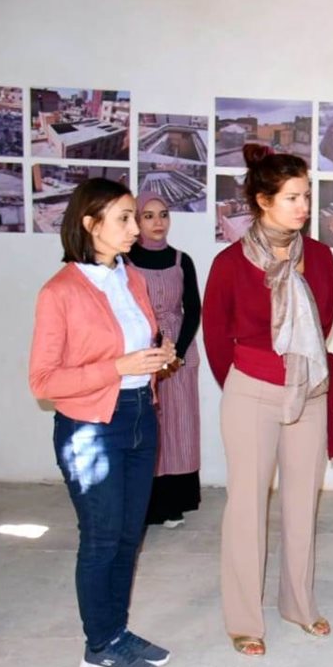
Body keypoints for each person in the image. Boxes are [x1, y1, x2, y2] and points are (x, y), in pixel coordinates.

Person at [29, 177, 177, 667]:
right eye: (125, 218)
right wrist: (119, 367)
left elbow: (139, 342)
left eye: (135, 217)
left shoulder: (130, 277)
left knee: (129, 536)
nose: (136, 228)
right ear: (90, 224)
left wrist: (159, 355)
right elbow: (43, 381)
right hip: (90, 427)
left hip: (139, 415)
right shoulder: (59, 292)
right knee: (101, 537)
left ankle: (116, 631)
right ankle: (98, 645)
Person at [202, 143, 333, 657]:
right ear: (263, 201)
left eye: (306, 196)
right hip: (251, 392)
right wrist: (252, 380)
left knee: (302, 503)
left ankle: (298, 605)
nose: (304, 206)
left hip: (308, 391)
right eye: (292, 197)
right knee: (246, 507)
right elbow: (215, 337)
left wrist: (295, 376)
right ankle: (245, 620)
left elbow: (323, 322)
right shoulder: (229, 263)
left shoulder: (321, 257)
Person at [127, 192, 202, 528]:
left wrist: (178, 354)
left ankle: (175, 503)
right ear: (136, 220)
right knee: (147, 425)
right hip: (142, 351)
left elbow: (193, 309)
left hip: (180, 354)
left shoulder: (182, 260)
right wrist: (155, 349)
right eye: (148, 216)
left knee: (179, 426)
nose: (158, 222)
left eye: (163, 214)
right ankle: (145, 506)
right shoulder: (124, 261)